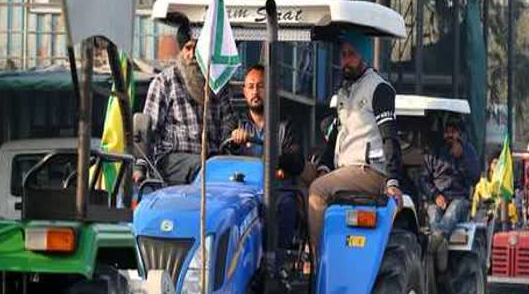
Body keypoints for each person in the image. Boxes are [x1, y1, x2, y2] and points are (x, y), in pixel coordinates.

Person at [308, 30, 403, 262]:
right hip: (345, 170)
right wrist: (322, 166)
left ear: (365, 55)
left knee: (317, 191)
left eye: (351, 55)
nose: (345, 61)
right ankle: (292, 255)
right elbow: (335, 139)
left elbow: (390, 137)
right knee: (296, 179)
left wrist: (392, 181)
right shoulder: (344, 91)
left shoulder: (379, 89)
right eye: (343, 55)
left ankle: (320, 262)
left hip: (368, 170)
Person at [135, 22, 235, 185]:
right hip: (173, 160)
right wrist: (140, 167)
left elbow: (229, 125)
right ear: (181, 51)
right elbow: (148, 130)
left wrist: (233, 140)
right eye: (188, 48)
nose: (193, 54)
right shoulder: (164, 82)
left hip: (212, 162)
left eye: (198, 49)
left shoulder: (218, 84)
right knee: (203, 167)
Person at [229, 64, 305, 250]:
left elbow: (296, 161)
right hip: (243, 190)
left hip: (275, 189)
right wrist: (234, 143)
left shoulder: (286, 124)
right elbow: (223, 155)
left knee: (285, 205)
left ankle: (276, 265)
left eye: (261, 86)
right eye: (251, 86)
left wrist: (273, 156)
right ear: (244, 91)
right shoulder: (235, 122)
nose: (256, 91)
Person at [421, 117, 480, 268]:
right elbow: (424, 179)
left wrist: (461, 158)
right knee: (433, 216)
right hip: (437, 197)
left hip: (459, 197)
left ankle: (437, 241)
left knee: (451, 213)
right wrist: (435, 195)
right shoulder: (434, 152)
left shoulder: (468, 151)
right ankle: (441, 245)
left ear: (459, 134)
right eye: (447, 132)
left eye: (453, 132)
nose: (449, 135)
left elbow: (475, 177)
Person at [471, 154, 499, 219]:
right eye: (495, 163)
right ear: (490, 165)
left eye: (499, 164)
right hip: (483, 214)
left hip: (498, 215)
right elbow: (475, 201)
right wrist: (473, 216)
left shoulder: (504, 182)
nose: (496, 166)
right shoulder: (482, 182)